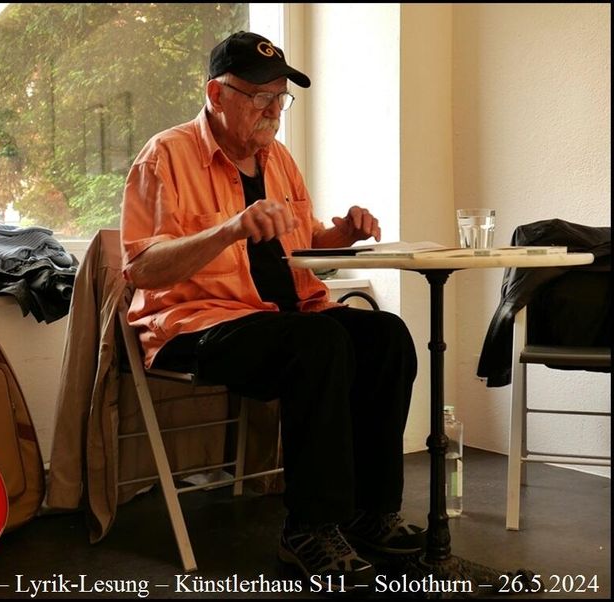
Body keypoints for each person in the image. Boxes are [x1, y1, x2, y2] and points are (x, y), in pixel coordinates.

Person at [120, 31, 423, 590]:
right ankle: (309, 528)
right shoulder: (165, 155)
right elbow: (143, 268)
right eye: (259, 98)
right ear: (216, 92)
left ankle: (369, 512)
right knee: (318, 345)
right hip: (199, 322)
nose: (272, 112)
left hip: (285, 315)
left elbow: (304, 244)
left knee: (387, 336)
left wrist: (343, 235)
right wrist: (230, 228)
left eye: (280, 98)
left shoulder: (277, 158)